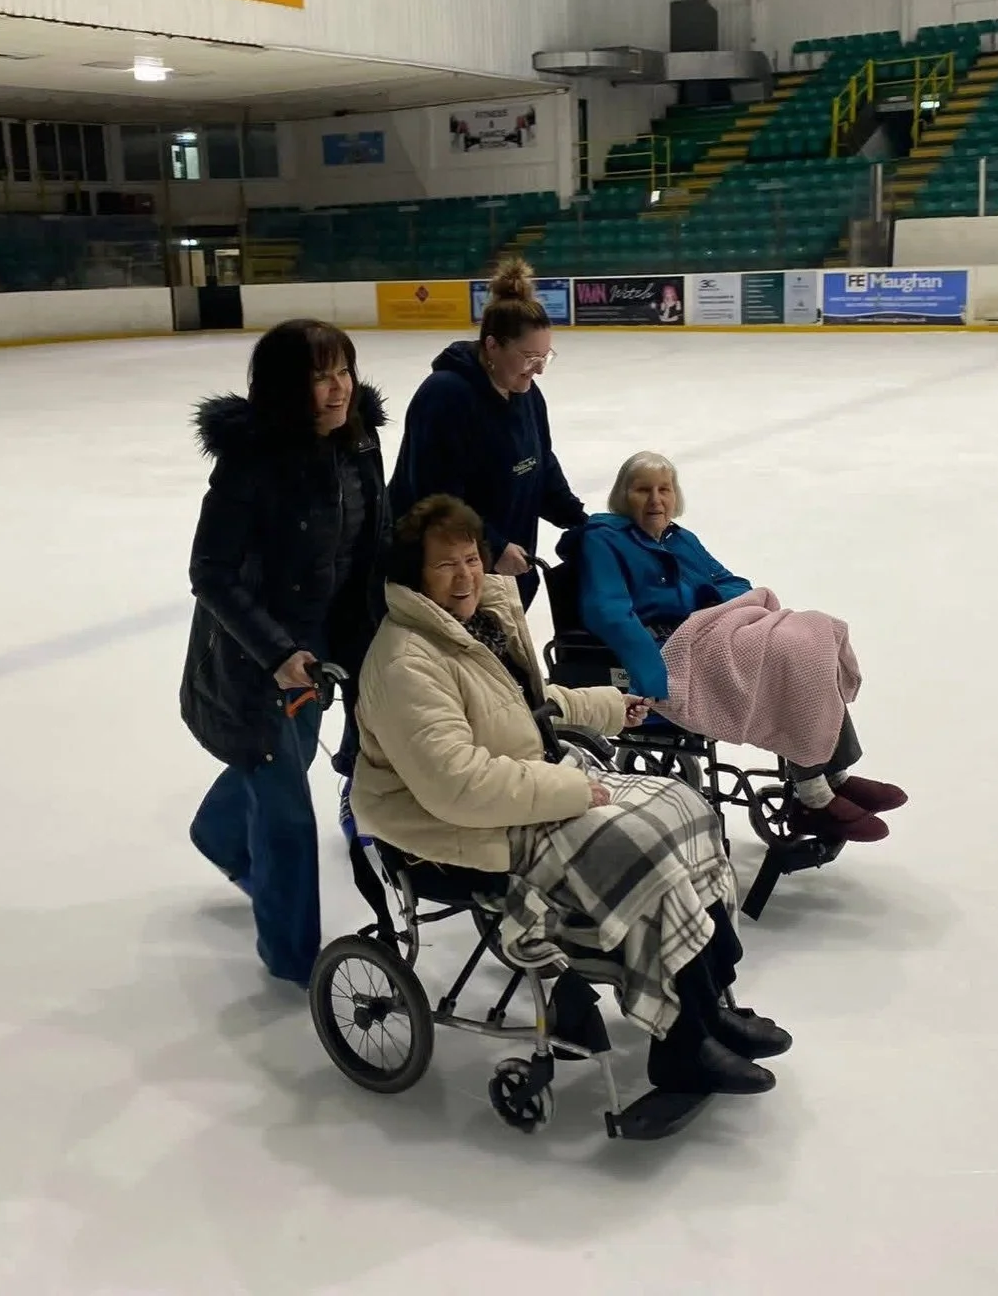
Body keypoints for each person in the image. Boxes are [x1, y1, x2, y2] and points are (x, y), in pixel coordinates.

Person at [350, 495, 793, 1097]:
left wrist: (612, 706)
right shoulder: (407, 660)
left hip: (528, 784)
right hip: (460, 826)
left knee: (686, 811)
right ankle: (681, 1047)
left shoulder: (475, 625)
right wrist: (570, 790)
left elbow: (530, 708)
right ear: (413, 579)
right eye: (445, 566)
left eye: (471, 559)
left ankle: (705, 1004)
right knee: (643, 852)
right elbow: (458, 785)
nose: (465, 576)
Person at [180, 320, 389, 987]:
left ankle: (217, 833)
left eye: (343, 372)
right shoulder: (251, 461)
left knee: (283, 760)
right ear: (284, 387)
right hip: (256, 657)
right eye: (318, 376)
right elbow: (210, 572)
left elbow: (370, 547)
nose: (337, 390)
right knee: (287, 812)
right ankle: (297, 961)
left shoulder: (361, 444)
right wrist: (276, 653)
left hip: (325, 644)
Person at [558, 452, 907, 845]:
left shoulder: (679, 537)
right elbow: (609, 611)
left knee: (813, 638)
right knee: (788, 658)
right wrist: (650, 671)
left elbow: (727, 579)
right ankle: (814, 795)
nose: (655, 500)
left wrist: (731, 606)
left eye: (664, 489)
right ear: (623, 495)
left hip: (708, 631)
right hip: (665, 648)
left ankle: (835, 773)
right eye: (643, 490)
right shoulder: (603, 541)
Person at [387, 256, 585, 608]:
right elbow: (436, 497)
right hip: (447, 581)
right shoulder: (445, 396)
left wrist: (581, 521)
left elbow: (541, 466)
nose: (538, 370)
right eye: (528, 357)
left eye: (545, 357)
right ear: (492, 346)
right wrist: (491, 546)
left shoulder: (527, 394)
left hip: (504, 577)